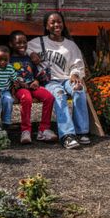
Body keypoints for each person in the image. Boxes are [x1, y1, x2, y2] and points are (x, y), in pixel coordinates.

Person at [28, 12, 89, 150]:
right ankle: (67, 135)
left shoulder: (70, 45)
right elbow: (22, 47)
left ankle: (82, 131)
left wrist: (74, 74)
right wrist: (31, 53)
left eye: (59, 21)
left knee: (79, 90)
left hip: (67, 78)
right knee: (59, 94)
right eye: (52, 22)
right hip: (50, 81)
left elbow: (77, 63)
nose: (56, 25)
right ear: (46, 26)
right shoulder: (39, 42)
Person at [8, 30, 56, 144]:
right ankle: (26, 131)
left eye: (24, 42)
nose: (22, 45)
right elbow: (7, 77)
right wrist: (15, 86)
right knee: (27, 98)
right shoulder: (9, 60)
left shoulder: (29, 59)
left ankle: (43, 130)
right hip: (20, 89)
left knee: (49, 97)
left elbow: (35, 74)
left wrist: (36, 81)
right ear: (11, 44)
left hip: (32, 86)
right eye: (18, 43)